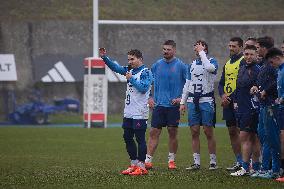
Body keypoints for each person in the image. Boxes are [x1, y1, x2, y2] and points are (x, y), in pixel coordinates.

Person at [100, 48, 153, 176]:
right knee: (127, 137)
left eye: (132, 59)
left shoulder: (146, 72)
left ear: (140, 59)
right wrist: (104, 58)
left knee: (140, 139)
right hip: (128, 111)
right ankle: (133, 164)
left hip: (140, 112)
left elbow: (143, 88)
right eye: (128, 59)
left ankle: (142, 166)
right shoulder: (129, 70)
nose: (130, 62)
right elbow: (116, 67)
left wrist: (132, 79)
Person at [145, 40, 188, 169]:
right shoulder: (157, 65)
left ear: (174, 50)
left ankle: (171, 161)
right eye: (164, 49)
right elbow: (147, 82)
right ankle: (148, 160)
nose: (166, 51)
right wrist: (150, 97)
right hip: (159, 105)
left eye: (168, 49)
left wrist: (181, 99)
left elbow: (188, 85)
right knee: (154, 132)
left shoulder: (181, 66)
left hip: (173, 106)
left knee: (172, 132)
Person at [180, 40, 218, 170]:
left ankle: (213, 161)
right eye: (195, 46)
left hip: (206, 100)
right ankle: (196, 162)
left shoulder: (212, 61)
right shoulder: (191, 64)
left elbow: (210, 68)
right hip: (192, 101)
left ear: (205, 48)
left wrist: (202, 53)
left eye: (199, 46)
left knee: (208, 131)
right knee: (194, 131)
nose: (196, 48)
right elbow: (187, 84)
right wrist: (182, 102)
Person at [250, 37, 280, 179]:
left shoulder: (273, 64)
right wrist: (256, 86)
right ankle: (265, 167)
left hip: (270, 105)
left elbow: (277, 80)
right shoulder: (263, 64)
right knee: (263, 136)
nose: (256, 50)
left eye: (257, 48)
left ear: (264, 48)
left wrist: (266, 90)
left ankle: (272, 169)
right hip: (263, 105)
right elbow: (262, 81)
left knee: (270, 138)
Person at [230, 45, 261, 176]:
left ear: (256, 55)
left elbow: (261, 86)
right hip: (242, 108)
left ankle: (247, 167)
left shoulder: (258, 70)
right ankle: (254, 167)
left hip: (252, 109)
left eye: (251, 54)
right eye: (246, 54)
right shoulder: (242, 68)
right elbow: (238, 87)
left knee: (247, 137)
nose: (248, 57)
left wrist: (256, 88)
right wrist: (235, 101)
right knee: (250, 138)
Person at [218, 37, 244, 171]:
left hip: (240, 102)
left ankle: (248, 162)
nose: (231, 48)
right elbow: (221, 83)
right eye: (230, 46)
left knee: (243, 132)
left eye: (234, 46)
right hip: (227, 102)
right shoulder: (227, 63)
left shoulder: (244, 61)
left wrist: (231, 97)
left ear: (241, 47)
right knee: (232, 131)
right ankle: (239, 161)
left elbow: (244, 82)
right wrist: (223, 95)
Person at [265, 48, 284, 181]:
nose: (271, 65)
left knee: (283, 137)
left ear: (277, 58)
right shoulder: (280, 71)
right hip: (280, 108)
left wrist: (282, 98)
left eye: (272, 62)